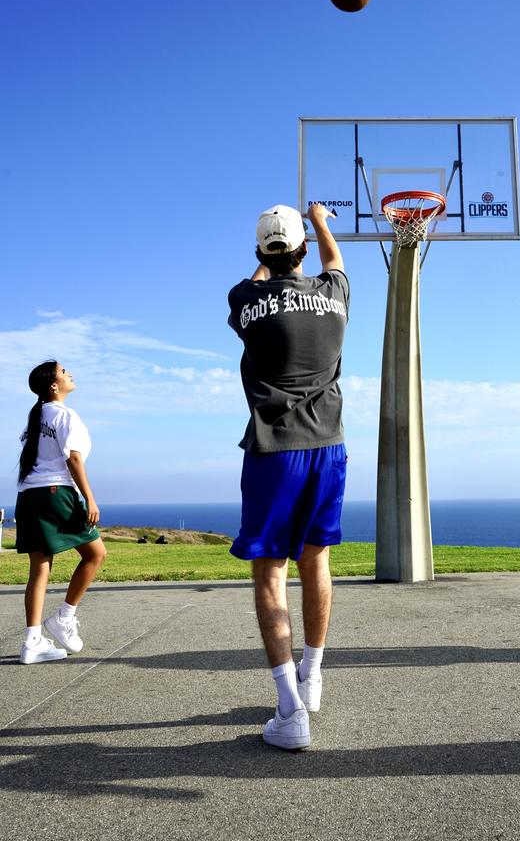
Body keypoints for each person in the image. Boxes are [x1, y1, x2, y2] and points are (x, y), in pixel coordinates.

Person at [227, 203, 349, 750]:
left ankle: (288, 709)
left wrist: (265, 261)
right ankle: (313, 677)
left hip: (274, 451)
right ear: (303, 251)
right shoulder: (333, 296)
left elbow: (250, 285)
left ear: (260, 254)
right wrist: (321, 222)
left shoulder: (246, 300)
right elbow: (336, 261)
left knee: (269, 572)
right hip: (328, 446)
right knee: (316, 560)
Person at [15, 361, 107, 664]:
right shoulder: (65, 415)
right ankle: (64, 617)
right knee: (95, 554)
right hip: (57, 493)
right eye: (64, 371)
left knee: (40, 568)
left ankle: (32, 642)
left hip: (28, 495)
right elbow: (74, 459)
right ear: (54, 385)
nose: (69, 373)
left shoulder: (34, 418)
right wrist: (90, 498)